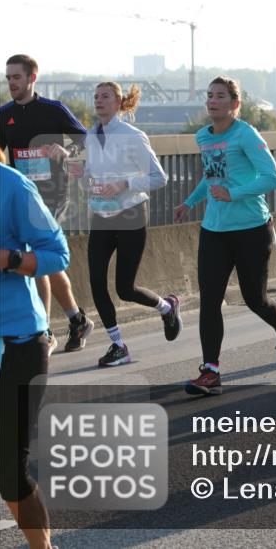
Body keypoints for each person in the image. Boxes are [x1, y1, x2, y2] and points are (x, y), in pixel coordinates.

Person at [174, 76, 276, 395]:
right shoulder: (203, 136)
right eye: (209, 96)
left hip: (250, 229)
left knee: (255, 299)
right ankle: (211, 371)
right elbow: (211, 175)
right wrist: (189, 202)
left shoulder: (245, 134)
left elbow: (273, 178)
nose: (212, 101)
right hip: (214, 231)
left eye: (220, 96)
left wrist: (235, 194)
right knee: (210, 301)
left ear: (235, 104)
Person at [66, 82, 181, 366]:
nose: (98, 101)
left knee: (125, 289)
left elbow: (159, 177)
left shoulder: (133, 135)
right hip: (102, 216)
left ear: (118, 103)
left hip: (131, 214)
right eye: (95, 97)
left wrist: (125, 184)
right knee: (95, 281)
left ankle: (166, 307)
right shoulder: (89, 137)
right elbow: (88, 181)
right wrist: (79, 175)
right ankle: (118, 345)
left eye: (105, 96)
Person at [0, 54, 94, 353]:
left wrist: (65, 150)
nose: (11, 82)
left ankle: (43, 332)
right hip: (21, 197)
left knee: (33, 255)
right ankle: (76, 318)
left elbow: (86, 140)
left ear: (32, 78)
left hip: (53, 195)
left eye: (16, 77)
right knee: (40, 258)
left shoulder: (53, 110)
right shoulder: (3, 114)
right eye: (8, 77)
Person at [0, 152, 70, 549]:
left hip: (18, 344)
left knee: (9, 471)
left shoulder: (11, 186)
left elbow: (58, 255)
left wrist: (9, 259)